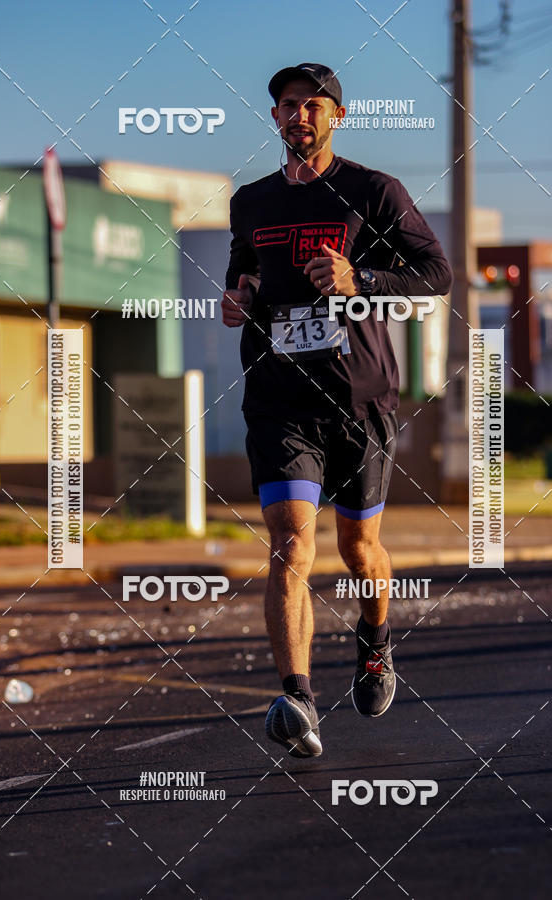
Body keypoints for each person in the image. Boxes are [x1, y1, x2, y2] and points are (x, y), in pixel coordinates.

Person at [222, 63, 452, 758]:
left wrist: (362, 278)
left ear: (337, 117)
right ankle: (297, 697)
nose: (299, 115)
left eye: (312, 105)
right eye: (287, 105)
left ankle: (375, 642)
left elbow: (436, 275)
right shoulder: (251, 201)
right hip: (280, 399)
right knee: (291, 544)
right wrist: (238, 299)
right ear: (275, 116)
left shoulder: (374, 191)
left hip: (358, 398)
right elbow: (244, 274)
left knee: (358, 549)